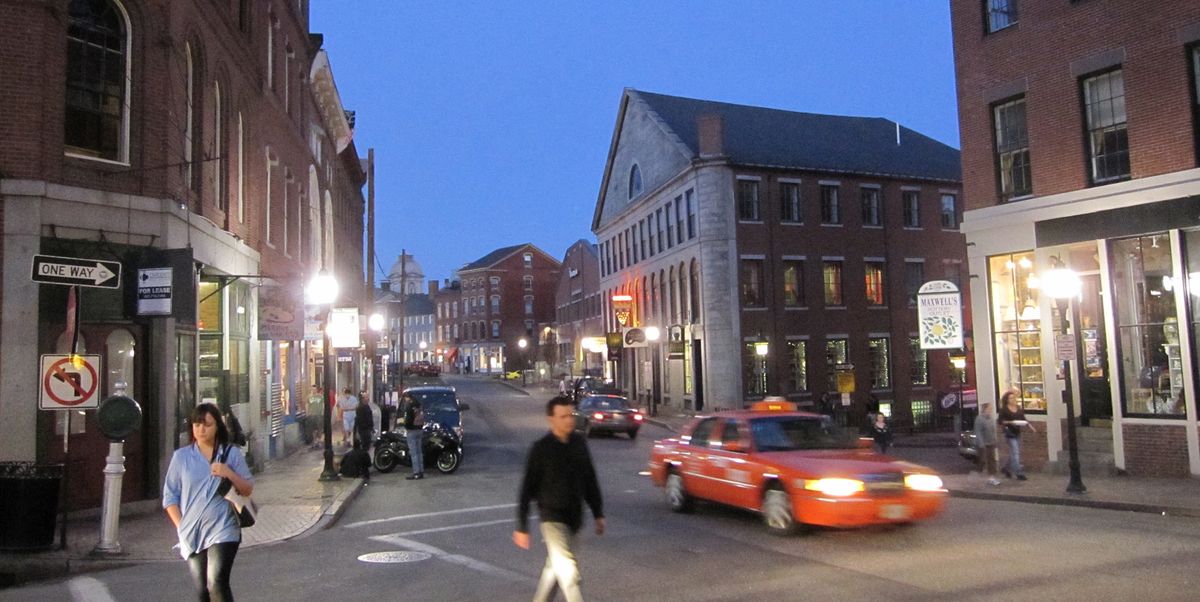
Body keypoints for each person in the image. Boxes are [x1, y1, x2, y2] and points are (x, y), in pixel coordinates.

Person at [513, 396, 605, 602]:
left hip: (575, 518)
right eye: (563, 416)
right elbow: (526, 490)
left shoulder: (579, 443)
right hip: (552, 518)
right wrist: (522, 526)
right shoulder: (541, 449)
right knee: (568, 572)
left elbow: (590, 479)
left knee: (554, 569)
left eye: (570, 415)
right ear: (551, 419)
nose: (569, 420)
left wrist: (598, 513)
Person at [163, 403, 254, 601]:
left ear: (217, 427)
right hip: (192, 531)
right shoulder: (182, 457)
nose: (201, 430)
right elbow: (170, 497)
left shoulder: (230, 454)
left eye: (207, 425)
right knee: (203, 590)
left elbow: (247, 489)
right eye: (197, 425)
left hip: (224, 527)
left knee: (217, 581)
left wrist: (228, 472)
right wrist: (181, 526)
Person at [998, 388, 1037, 480]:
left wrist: (1030, 426)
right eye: (1010, 398)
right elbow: (1000, 421)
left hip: (1017, 432)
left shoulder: (1018, 408)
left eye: (1013, 398)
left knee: (1014, 453)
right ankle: (1018, 473)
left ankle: (1006, 468)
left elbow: (1023, 418)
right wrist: (1011, 422)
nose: (1013, 400)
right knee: (1015, 453)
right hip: (1009, 433)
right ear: (1007, 400)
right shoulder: (1004, 410)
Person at [975, 402, 1001, 486]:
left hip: (991, 443)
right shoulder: (979, 419)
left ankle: (991, 477)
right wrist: (981, 444)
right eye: (989, 408)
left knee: (992, 461)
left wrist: (995, 441)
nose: (991, 410)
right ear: (985, 409)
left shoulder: (991, 418)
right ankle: (982, 475)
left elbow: (993, 431)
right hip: (984, 444)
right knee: (984, 460)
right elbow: (978, 432)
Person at [402, 393, 425, 480]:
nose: (405, 401)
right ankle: (421, 470)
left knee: (413, 453)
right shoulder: (418, 404)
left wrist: (405, 425)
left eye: (405, 399)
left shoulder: (409, 405)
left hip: (411, 430)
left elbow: (407, 419)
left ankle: (416, 472)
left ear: (407, 397)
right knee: (419, 451)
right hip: (419, 429)